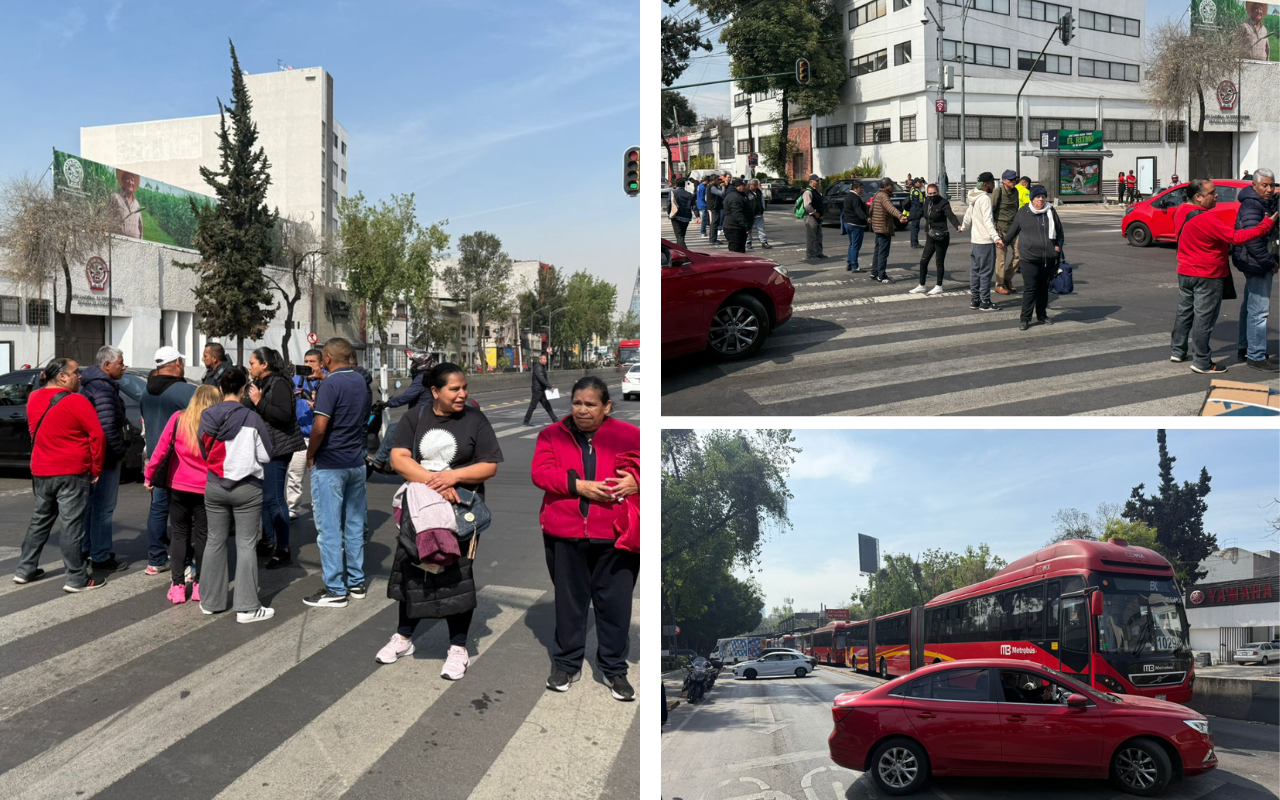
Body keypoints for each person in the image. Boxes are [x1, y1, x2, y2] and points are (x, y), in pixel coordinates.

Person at [376, 363, 504, 681]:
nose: (462, 394)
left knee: (457, 573)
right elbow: (398, 458)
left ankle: (458, 647)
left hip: (460, 512)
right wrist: (435, 480)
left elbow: (489, 466)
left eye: (464, 388)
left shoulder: (475, 418)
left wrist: (454, 476)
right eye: (454, 389)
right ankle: (404, 637)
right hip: (420, 510)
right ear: (435, 391)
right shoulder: (415, 417)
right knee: (412, 569)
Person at [531, 376, 639, 700]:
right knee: (570, 604)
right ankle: (566, 664)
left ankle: (614, 669)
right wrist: (578, 486)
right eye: (577, 403)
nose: (582, 410)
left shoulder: (630, 435)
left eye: (590, 404)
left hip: (616, 536)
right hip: (564, 533)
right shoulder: (551, 435)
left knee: (615, 606)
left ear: (607, 406)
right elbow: (540, 472)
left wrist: (637, 481)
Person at [13, 358, 106, 592]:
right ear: (62, 376)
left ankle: (25, 569)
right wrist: (95, 468)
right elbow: (97, 436)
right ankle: (76, 578)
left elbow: (34, 431)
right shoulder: (77, 400)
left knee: (40, 520)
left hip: (41, 469)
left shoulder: (33, 397)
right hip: (72, 470)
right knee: (71, 525)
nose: (80, 376)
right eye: (76, 372)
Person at [1170, 178, 1277, 373]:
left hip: (1185, 271)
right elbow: (1236, 238)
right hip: (1207, 274)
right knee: (1205, 319)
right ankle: (1202, 362)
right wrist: (1265, 225)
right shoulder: (1207, 218)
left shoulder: (1180, 211)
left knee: (1185, 311)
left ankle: (1178, 351)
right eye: (1212, 193)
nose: (1216, 195)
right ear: (1198, 197)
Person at [198, 367, 276, 623]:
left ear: (221, 389)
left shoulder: (207, 416)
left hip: (215, 485)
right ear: (244, 389)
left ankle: (210, 602)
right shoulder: (252, 418)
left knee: (214, 540)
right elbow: (266, 455)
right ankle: (247, 608)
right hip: (247, 488)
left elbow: (204, 450)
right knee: (245, 544)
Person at [303, 337, 372, 608]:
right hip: (355, 461)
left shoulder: (331, 383)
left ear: (327, 359)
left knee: (330, 529)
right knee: (354, 526)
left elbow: (320, 427)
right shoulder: (359, 381)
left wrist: (311, 454)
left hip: (330, 463)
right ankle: (356, 582)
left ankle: (335, 590)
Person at [145, 385, 221, 605]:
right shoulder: (217, 423)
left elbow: (160, 450)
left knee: (179, 534)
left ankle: (178, 586)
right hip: (206, 487)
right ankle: (200, 585)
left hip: (178, 486)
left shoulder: (179, 418)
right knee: (203, 536)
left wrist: (149, 476)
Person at [245, 347, 305, 568]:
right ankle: (268, 540)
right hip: (266, 446)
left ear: (264, 364)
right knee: (265, 497)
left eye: (252, 363)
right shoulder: (263, 384)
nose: (250, 367)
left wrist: (259, 402)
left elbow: (284, 416)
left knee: (275, 498)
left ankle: (283, 548)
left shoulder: (278, 383)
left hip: (277, 449)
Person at [141, 346, 196, 576]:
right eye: (180, 362)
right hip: (180, 460)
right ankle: (185, 562)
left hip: (156, 458)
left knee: (158, 508)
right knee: (184, 515)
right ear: (175, 363)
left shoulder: (146, 392)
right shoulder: (184, 391)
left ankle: (155, 559)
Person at [79, 345, 129, 572]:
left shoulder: (95, 384)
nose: (124, 367)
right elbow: (106, 426)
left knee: (93, 506)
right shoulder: (102, 388)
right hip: (105, 456)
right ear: (107, 365)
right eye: (120, 363)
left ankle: (88, 549)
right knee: (103, 508)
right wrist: (119, 450)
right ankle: (99, 555)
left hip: (95, 454)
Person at [1232, 168, 1279, 371]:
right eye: (1264, 185)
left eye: (1272, 185)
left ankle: (1246, 348)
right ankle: (1256, 355)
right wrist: (1270, 263)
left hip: (1252, 261)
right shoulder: (1253, 204)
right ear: (1254, 185)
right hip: (1257, 263)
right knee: (1258, 311)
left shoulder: (1259, 201)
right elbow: (1252, 240)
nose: (1269, 189)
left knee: (1249, 307)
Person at [1002, 185, 1065, 330]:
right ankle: (1025, 319)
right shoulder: (1023, 212)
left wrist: (1057, 247)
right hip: (1029, 258)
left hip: (1047, 258)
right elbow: (1013, 230)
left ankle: (1042, 315)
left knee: (1043, 289)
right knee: (1030, 289)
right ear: (1032, 199)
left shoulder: (1050, 211)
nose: (1041, 199)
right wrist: (1003, 242)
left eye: (1043, 197)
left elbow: (1060, 233)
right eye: (1038, 197)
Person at [288, 348, 325, 519]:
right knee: (295, 474)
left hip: (321, 437)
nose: (308, 365)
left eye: (312, 362)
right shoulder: (296, 380)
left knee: (319, 477)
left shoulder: (327, 381)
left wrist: (317, 403)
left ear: (321, 364)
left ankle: (320, 508)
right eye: (306, 361)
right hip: (300, 436)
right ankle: (292, 509)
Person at [908, 183, 962, 296]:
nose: (932, 195)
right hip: (931, 236)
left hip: (941, 236)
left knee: (939, 262)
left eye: (934, 193)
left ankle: (939, 286)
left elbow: (951, 215)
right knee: (923, 261)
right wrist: (907, 218)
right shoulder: (928, 202)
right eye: (930, 193)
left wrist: (958, 225)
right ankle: (921, 285)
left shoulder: (943, 202)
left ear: (938, 192)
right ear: (927, 193)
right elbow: (921, 213)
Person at [963, 172, 1003, 312]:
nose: (993, 185)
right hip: (985, 242)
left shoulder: (973, 197)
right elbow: (988, 220)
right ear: (986, 185)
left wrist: (963, 227)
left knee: (975, 272)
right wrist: (995, 237)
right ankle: (985, 302)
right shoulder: (985, 198)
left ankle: (975, 300)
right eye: (992, 183)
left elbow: (969, 215)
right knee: (985, 273)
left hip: (975, 241)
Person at [869, 178, 907, 282]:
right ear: (886, 186)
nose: (893, 187)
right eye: (891, 185)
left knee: (877, 251)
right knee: (883, 253)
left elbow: (871, 209)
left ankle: (874, 272)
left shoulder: (877, 194)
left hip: (877, 227)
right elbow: (891, 208)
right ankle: (881, 275)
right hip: (883, 228)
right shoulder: (884, 196)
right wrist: (900, 216)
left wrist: (872, 218)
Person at [992, 170, 1021, 295]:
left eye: (1015, 180)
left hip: (1014, 229)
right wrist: (994, 231)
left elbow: (1016, 210)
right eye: (1011, 180)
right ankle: (999, 284)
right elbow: (990, 211)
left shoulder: (1016, 192)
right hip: (1001, 230)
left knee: (1019, 255)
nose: (1013, 182)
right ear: (1004, 181)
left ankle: (1007, 278)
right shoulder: (998, 191)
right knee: (1001, 259)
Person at [521, 353, 558, 427]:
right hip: (537, 390)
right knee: (533, 406)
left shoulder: (542, 366)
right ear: (540, 360)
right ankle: (525, 421)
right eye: (544, 359)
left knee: (547, 405)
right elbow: (542, 379)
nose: (545, 361)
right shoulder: (538, 367)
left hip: (541, 390)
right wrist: (550, 387)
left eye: (546, 359)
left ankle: (555, 420)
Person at [841, 180, 869, 271]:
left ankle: (849, 263)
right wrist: (866, 218)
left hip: (848, 223)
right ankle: (854, 266)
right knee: (855, 245)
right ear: (855, 189)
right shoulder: (855, 197)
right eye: (860, 188)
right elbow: (858, 210)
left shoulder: (848, 196)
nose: (862, 190)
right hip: (855, 224)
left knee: (852, 244)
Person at [721, 178, 753, 253]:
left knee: (740, 251)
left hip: (738, 228)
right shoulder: (734, 197)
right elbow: (737, 213)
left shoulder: (738, 195)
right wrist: (746, 226)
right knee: (735, 252)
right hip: (734, 228)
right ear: (737, 186)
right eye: (743, 186)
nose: (745, 187)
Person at [109, 169, 143, 238]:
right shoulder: (115, 197)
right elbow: (106, 219)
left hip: (135, 244)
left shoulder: (136, 203)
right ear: (122, 181)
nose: (131, 182)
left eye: (132, 180)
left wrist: (141, 241)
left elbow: (140, 225)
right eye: (128, 179)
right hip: (117, 241)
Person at [801, 174, 826, 260]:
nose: (818, 182)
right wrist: (814, 213)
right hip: (811, 217)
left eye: (818, 181)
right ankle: (810, 254)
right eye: (817, 181)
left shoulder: (816, 191)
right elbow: (807, 206)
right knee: (811, 237)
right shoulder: (808, 192)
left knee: (819, 235)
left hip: (817, 217)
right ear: (811, 182)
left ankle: (818, 253)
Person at [669, 178, 695, 247]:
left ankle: (684, 251)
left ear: (676, 184)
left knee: (679, 236)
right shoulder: (690, 194)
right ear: (684, 185)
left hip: (676, 216)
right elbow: (694, 206)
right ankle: (678, 250)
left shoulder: (673, 193)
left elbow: (669, 204)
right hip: (686, 216)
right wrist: (697, 216)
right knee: (682, 235)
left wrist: (669, 213)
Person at [746, 178, 769, 249]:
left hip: (759, 213)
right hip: (750, 214)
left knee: (761, 228)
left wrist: (763, 208)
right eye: (754, 185)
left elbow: (762, 200)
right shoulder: (746, 192)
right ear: (750, 185)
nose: (756, 187)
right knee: (749, 229)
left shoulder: (758, 191)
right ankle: (748, 242)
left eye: (757, 185)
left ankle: (764, 242)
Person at [705, 175, 725, 245]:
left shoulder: (711, 186)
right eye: (717, 180)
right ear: (713, 180)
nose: (718, 181)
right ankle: (713, 239)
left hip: (715, 206)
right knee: (715, 223)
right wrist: (723, 187)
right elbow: (721, 194)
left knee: (715, 222)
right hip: (714, 207)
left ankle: (713, 238)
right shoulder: (712, 187)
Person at [907, 179, 926, 248]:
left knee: (915, 227)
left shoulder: (916, 189)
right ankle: (914, 243)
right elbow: (916, 202)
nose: (921, 183)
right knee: (915, 227)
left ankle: (914, 243)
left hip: (915, 209)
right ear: (916, 183)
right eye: (920, 182)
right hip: (916, 210)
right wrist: (921, 209)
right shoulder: (915, 191)